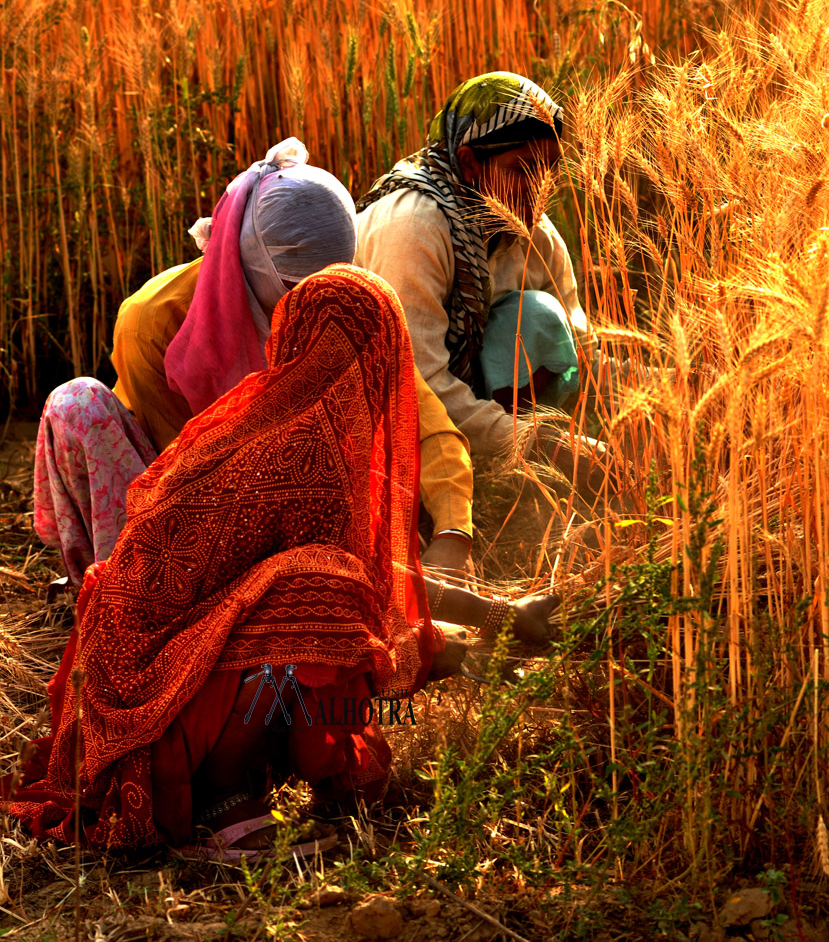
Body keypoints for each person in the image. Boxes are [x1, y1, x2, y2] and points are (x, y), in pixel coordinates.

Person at [6, 267, 556, 861]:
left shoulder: (286, 421)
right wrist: (473, 635)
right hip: (144, 709)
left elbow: (376, 579)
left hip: (150, 679)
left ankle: (232, 776)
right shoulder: (304, 449)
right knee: (321, 595)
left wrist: (495, 616)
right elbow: (357, 589)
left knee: (331, 595)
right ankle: (220, 799)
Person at [34, 140, 475, 588]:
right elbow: (185, 479)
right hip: (181, 507)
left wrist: (453, 533)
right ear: (253, 261)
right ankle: (122, 592)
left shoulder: (340, 305)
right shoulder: (154, 322)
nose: (313, 302)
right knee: (77, 402)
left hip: (303, 504)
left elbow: (423, 419)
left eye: (330, 280)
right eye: (295, 286)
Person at [355, 72, 610, 490]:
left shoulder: (532, 230)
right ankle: (492, 467)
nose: (539, 188)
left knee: (539, 318)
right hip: (382, 411)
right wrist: (540, 443)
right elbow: (418, 384)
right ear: (470, 162)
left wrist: (668, 384)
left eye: (549, 168)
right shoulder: (414, 226)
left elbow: (582, 348)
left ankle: (504, 462)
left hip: (463, 399)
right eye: (522, 168)